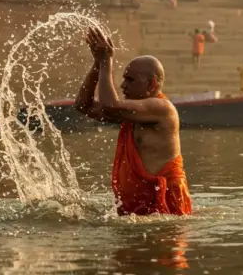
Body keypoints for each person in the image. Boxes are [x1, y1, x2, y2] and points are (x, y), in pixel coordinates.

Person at [74, 28, 192, 216]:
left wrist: (107, 61)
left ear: (151, 85)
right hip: (137, 212)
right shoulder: (133, 114)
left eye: (130, 80)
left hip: (166, 212)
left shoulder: (163, 110)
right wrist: (97, 64)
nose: (122, 85)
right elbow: (83, 106)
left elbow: (110, 105)